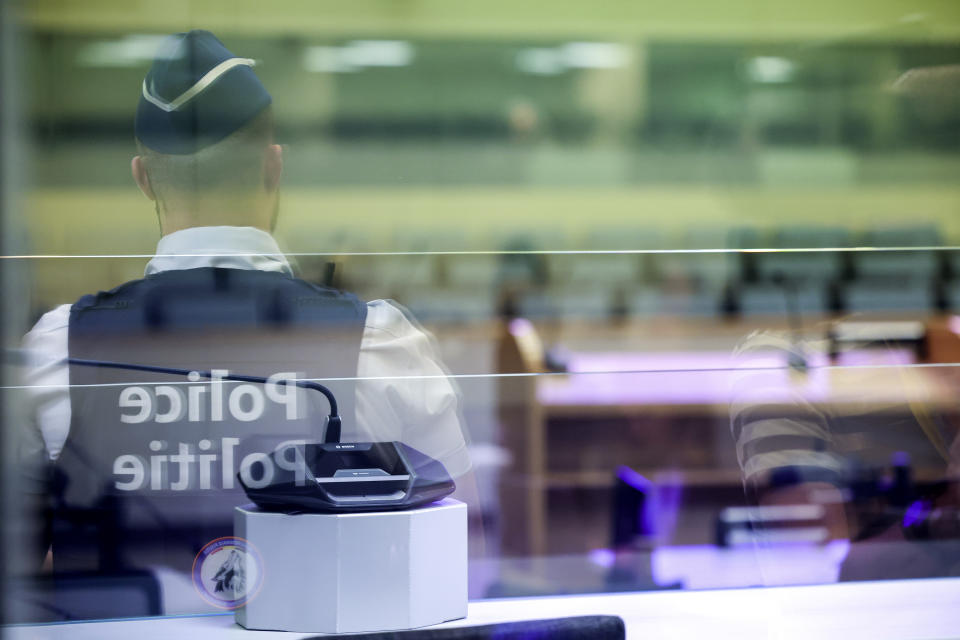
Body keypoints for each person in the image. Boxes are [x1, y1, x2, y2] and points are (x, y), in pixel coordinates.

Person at [17, 30, 471, 617]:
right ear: (274, 167)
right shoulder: (379, 341)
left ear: (143, 178)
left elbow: (17, 581)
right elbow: (464, 556)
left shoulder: (58, 349)